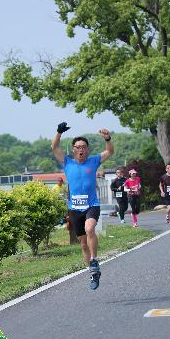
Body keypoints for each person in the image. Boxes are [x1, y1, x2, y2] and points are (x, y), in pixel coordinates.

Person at [51, 122, 114, 290]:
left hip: (91, 205)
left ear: (87, 149)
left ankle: (94, 260)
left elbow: (109, 151)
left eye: (84, 147)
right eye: (78, 147)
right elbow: (54, 147)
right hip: (74, 209)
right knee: (83, 243)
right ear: (73, 150)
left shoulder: (93, 161)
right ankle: (93, 273)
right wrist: (59, 132)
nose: (81, 149)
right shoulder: (67, 163)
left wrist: (107, 138)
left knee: (90, 229)